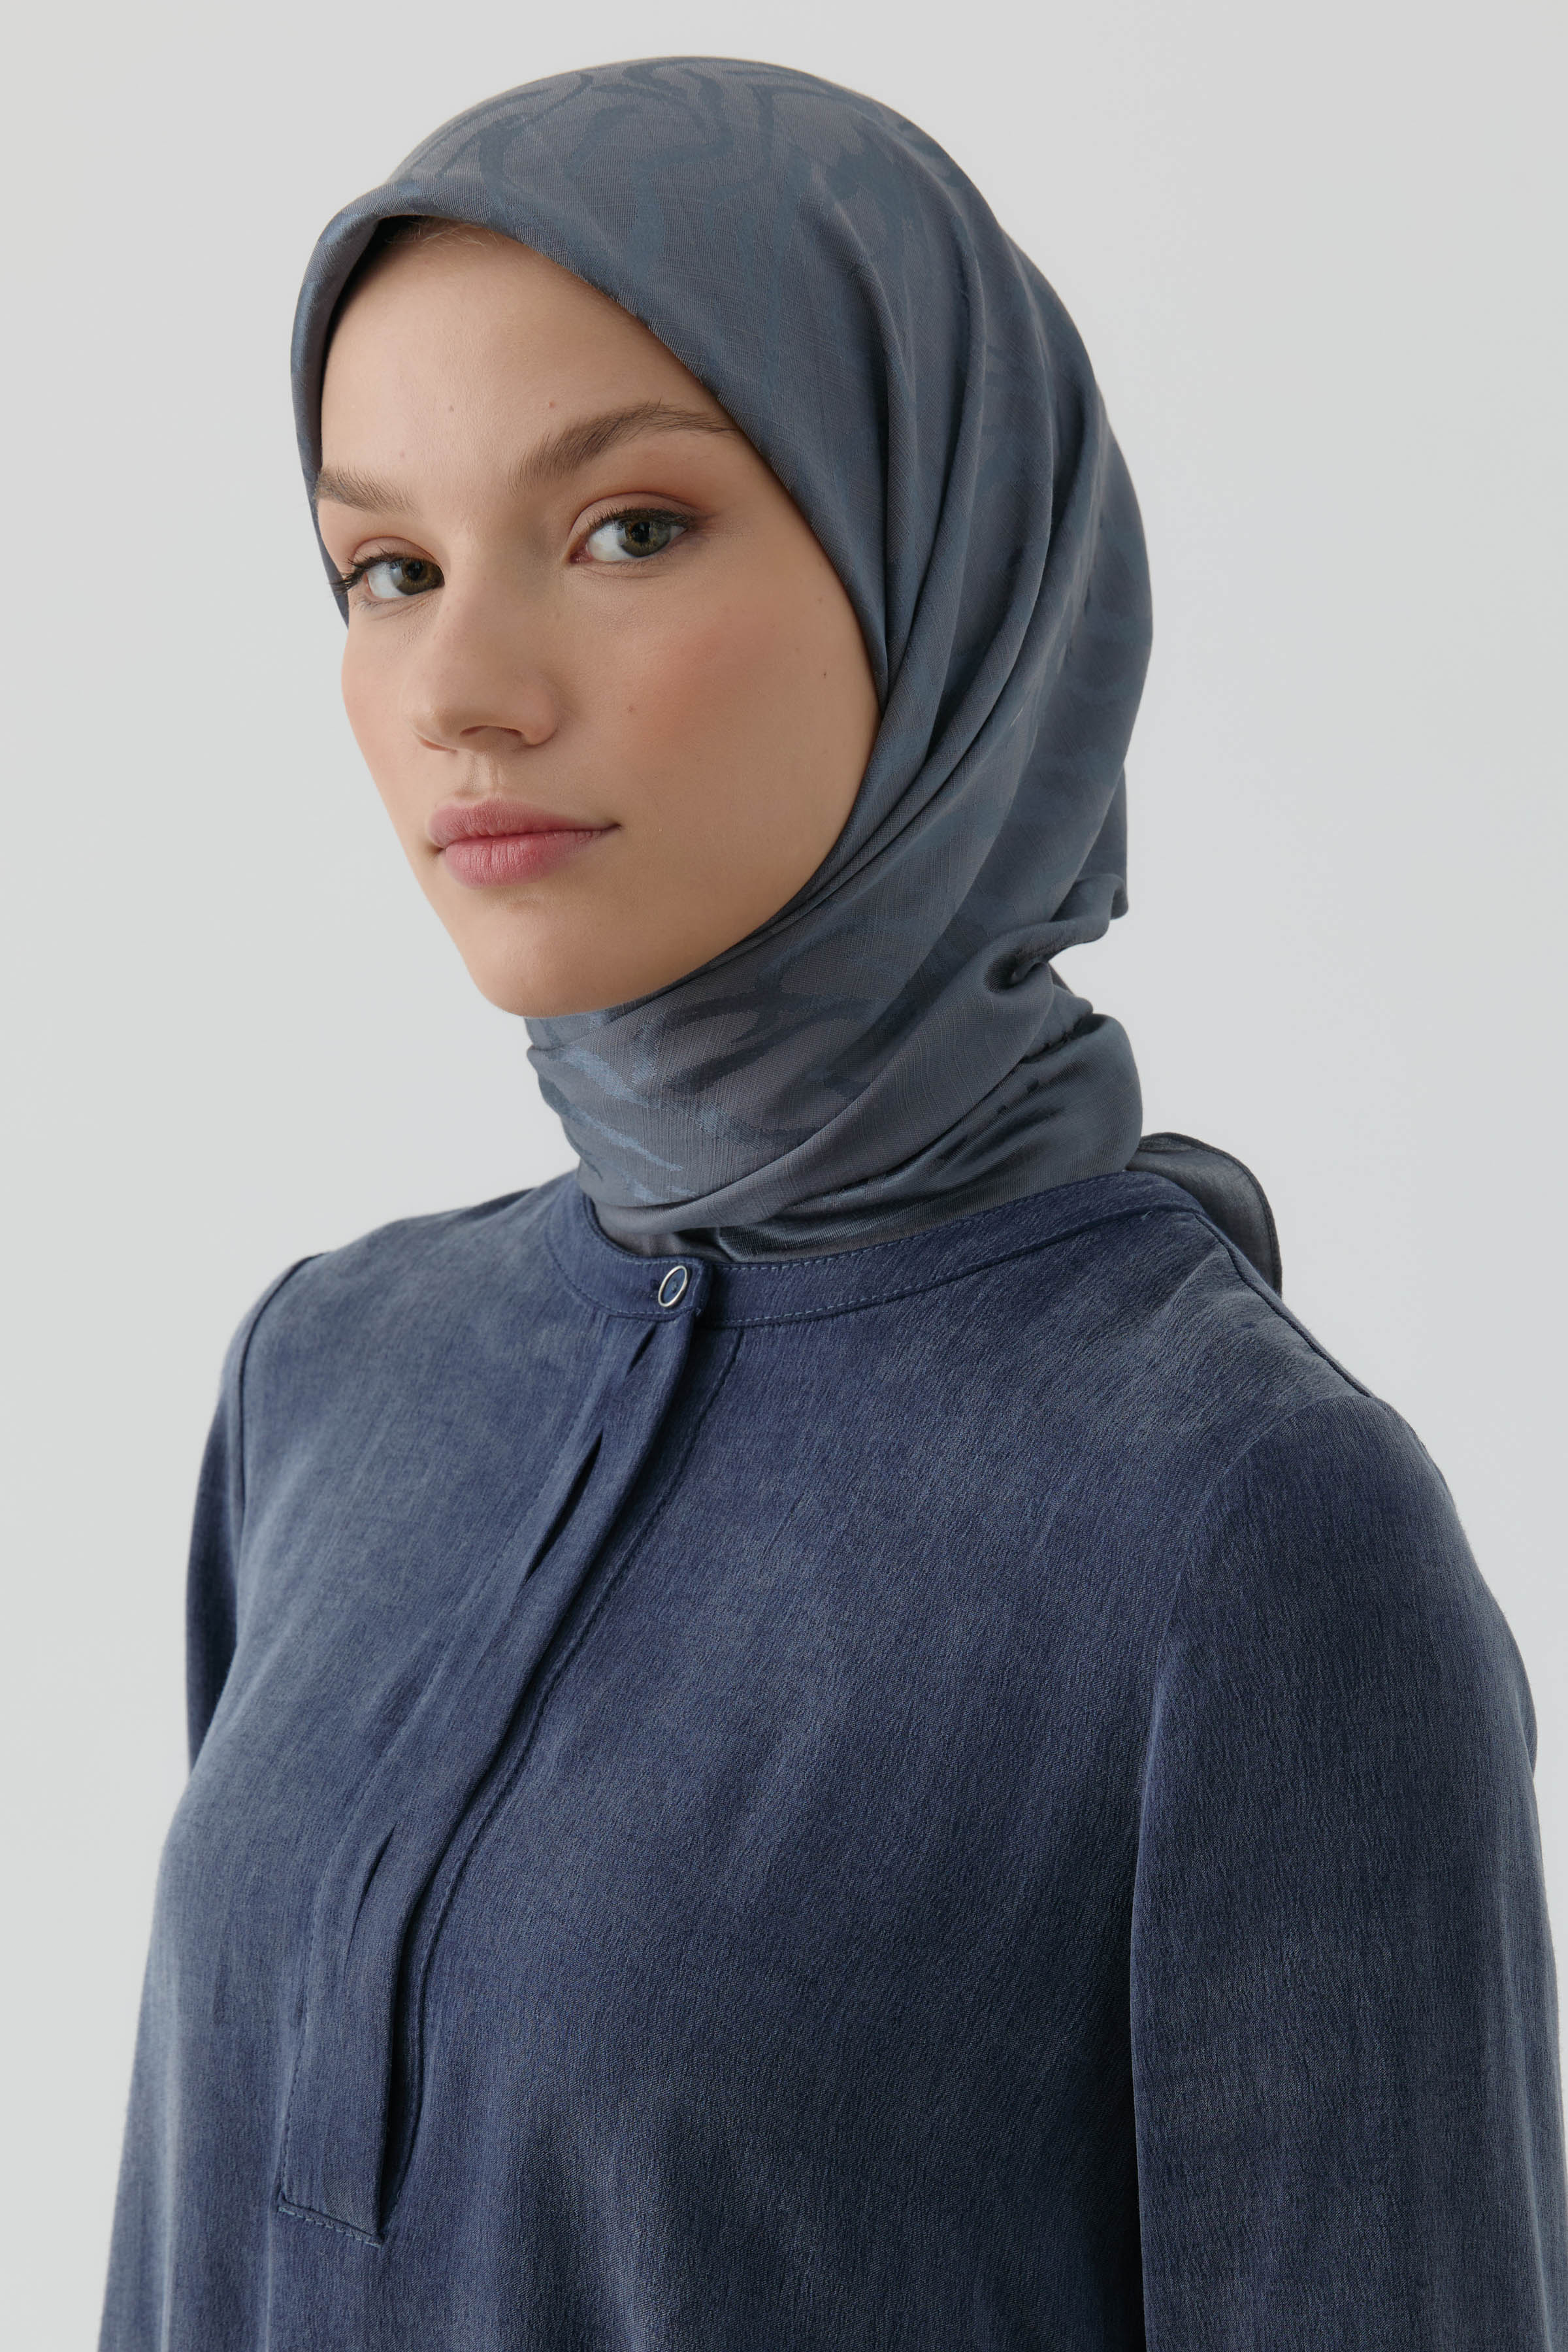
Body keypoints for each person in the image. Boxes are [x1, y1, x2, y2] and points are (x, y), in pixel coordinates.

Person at [99, 56, 1565, 2351]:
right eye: (387, 569)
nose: (461, 690)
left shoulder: (1251, 1528)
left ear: (940, 555)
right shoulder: (328, 1376)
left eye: (627, 528)